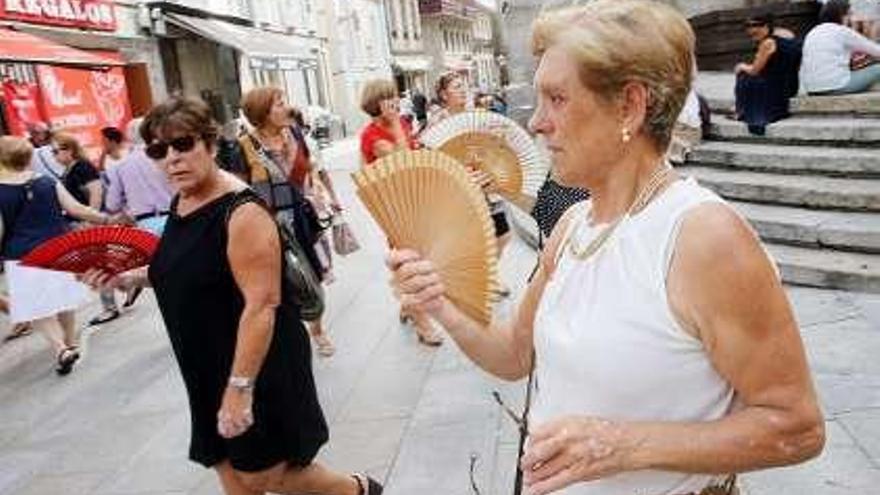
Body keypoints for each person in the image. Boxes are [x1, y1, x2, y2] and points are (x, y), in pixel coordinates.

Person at [388, 2, 824, 494]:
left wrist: (623, 445)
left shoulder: (702, 237)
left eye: (556, 99)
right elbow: (512, 355)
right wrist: (439, 301)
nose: (536, 123)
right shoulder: (574, 224)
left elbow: (796, 425)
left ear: (629, 106)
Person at [81, 98, 382, 495]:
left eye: (183, 144)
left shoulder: (241, 211)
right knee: (226, 469)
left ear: (209, 143)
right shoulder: (182, 201)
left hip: (257, 362)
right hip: (204, 360)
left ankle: (357, 490)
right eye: (158, 150)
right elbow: (184, 271)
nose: (172, 158)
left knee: (263, 474)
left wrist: (240, 388)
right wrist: (125, 278)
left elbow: (262, 304)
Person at [0, 136, 124, 375]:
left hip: (22, 254)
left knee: (37, 307)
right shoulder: (47, 181)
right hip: (60, 248)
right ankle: (69, 343)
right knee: (62, 300)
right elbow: (75, 209)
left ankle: (61, 348)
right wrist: (107, 219)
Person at [237, 87, 336, 358]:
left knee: (313, 276)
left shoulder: (294, 135)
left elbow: (309, 171)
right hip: (269, 227)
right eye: (278, 104)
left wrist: (320, 193)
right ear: (262, 112)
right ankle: (290, 335)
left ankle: (317, 330)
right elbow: (240, 190)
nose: (286, 108)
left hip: (304, 220)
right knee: (280, 283)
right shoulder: (244, 146)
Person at [358, 79, 443, 347]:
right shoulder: (371, 135)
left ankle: (409, 308)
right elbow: (403, 162)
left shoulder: (403, 124)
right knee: (410, 263)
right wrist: (396, 125)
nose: (394, 102)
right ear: (375, 104)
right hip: (395, 208)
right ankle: (423, 325)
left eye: (395, 96)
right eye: (387, 98)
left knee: (421, 257)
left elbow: (417, 152)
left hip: (415, 200)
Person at [426, 71, 513, 297]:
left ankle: (488, 276)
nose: (462, 90)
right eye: (456, 87)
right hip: (458, 189)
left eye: (463, 86)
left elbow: (493, 146)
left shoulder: (476, 116)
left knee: (502, 234)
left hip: (485, 185)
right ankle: (480, 281)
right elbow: (432, 157)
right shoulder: (438, 122)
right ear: (444, 94)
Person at [51, 133, 122, 325]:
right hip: (79, 223)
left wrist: (92, 221)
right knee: (93, 266)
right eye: (53, 152)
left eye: (56, 151)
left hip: (87, 223)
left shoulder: (82, 167)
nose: (54, 155)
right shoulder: (71, 169)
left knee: (97, 265)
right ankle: (124, 284)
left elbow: (96, 191)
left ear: (70, 150)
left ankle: (110, 307)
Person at [734, 13, 802, 135]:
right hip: (791, 86)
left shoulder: (767, 43)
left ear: (766, 26)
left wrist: (742, 66)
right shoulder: (788, 35)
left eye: (756, 26)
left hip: (774, 88)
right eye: (748, 26)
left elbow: (754, 70)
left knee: (743, 75)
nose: (752, 30)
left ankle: (741, 111)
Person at [802, 0, 880, 94]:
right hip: (835, 86)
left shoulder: (813, 31)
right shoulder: (842, 31)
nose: (851, 19)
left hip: (811, 88)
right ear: (841, 15)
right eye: (849, 14)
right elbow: (876, 51)